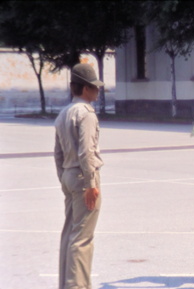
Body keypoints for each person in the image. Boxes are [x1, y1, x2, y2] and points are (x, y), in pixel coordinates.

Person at [54, 63, 104, 289]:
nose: (98, 91)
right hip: (84, 177)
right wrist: (91, 183)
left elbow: (57, 153)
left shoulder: (64, 113)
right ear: (85, 89)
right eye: (95, 87)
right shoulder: (86, 114)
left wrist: (64, 178)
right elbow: (87, 151)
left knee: (69, 234)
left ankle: (66, 284)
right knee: (83, 238)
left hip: (68, 174)